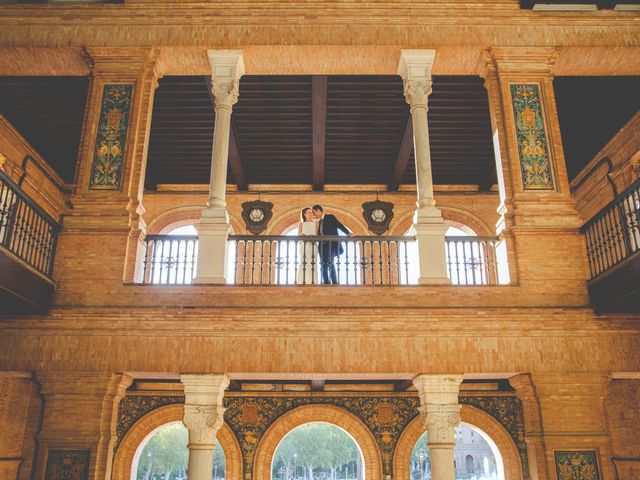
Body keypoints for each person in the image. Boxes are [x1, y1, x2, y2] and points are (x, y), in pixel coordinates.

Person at [312, 204, 353, 284]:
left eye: (314, 212)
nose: (313, 215)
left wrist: (348, 232)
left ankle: (334, 282)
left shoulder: (330, 217)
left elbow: (339, 225)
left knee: (330, 263)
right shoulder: (318, 221)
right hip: (322, 246)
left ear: (318, 210)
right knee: (323, 264)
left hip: (331, 245)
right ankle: (326, 282)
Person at [296, 207, 319, 284]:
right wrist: (302, 235)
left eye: (312, 212)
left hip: (313, 245)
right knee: (304, 262)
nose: (311, 213)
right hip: (304, 246)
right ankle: (301, 281)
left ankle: (313, 281)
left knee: (312, 262)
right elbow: (298, 237)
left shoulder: (316, 223)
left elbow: (317, 235)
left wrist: (312, 236)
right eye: (309, 212)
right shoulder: (301, 224)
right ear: (304, 214)